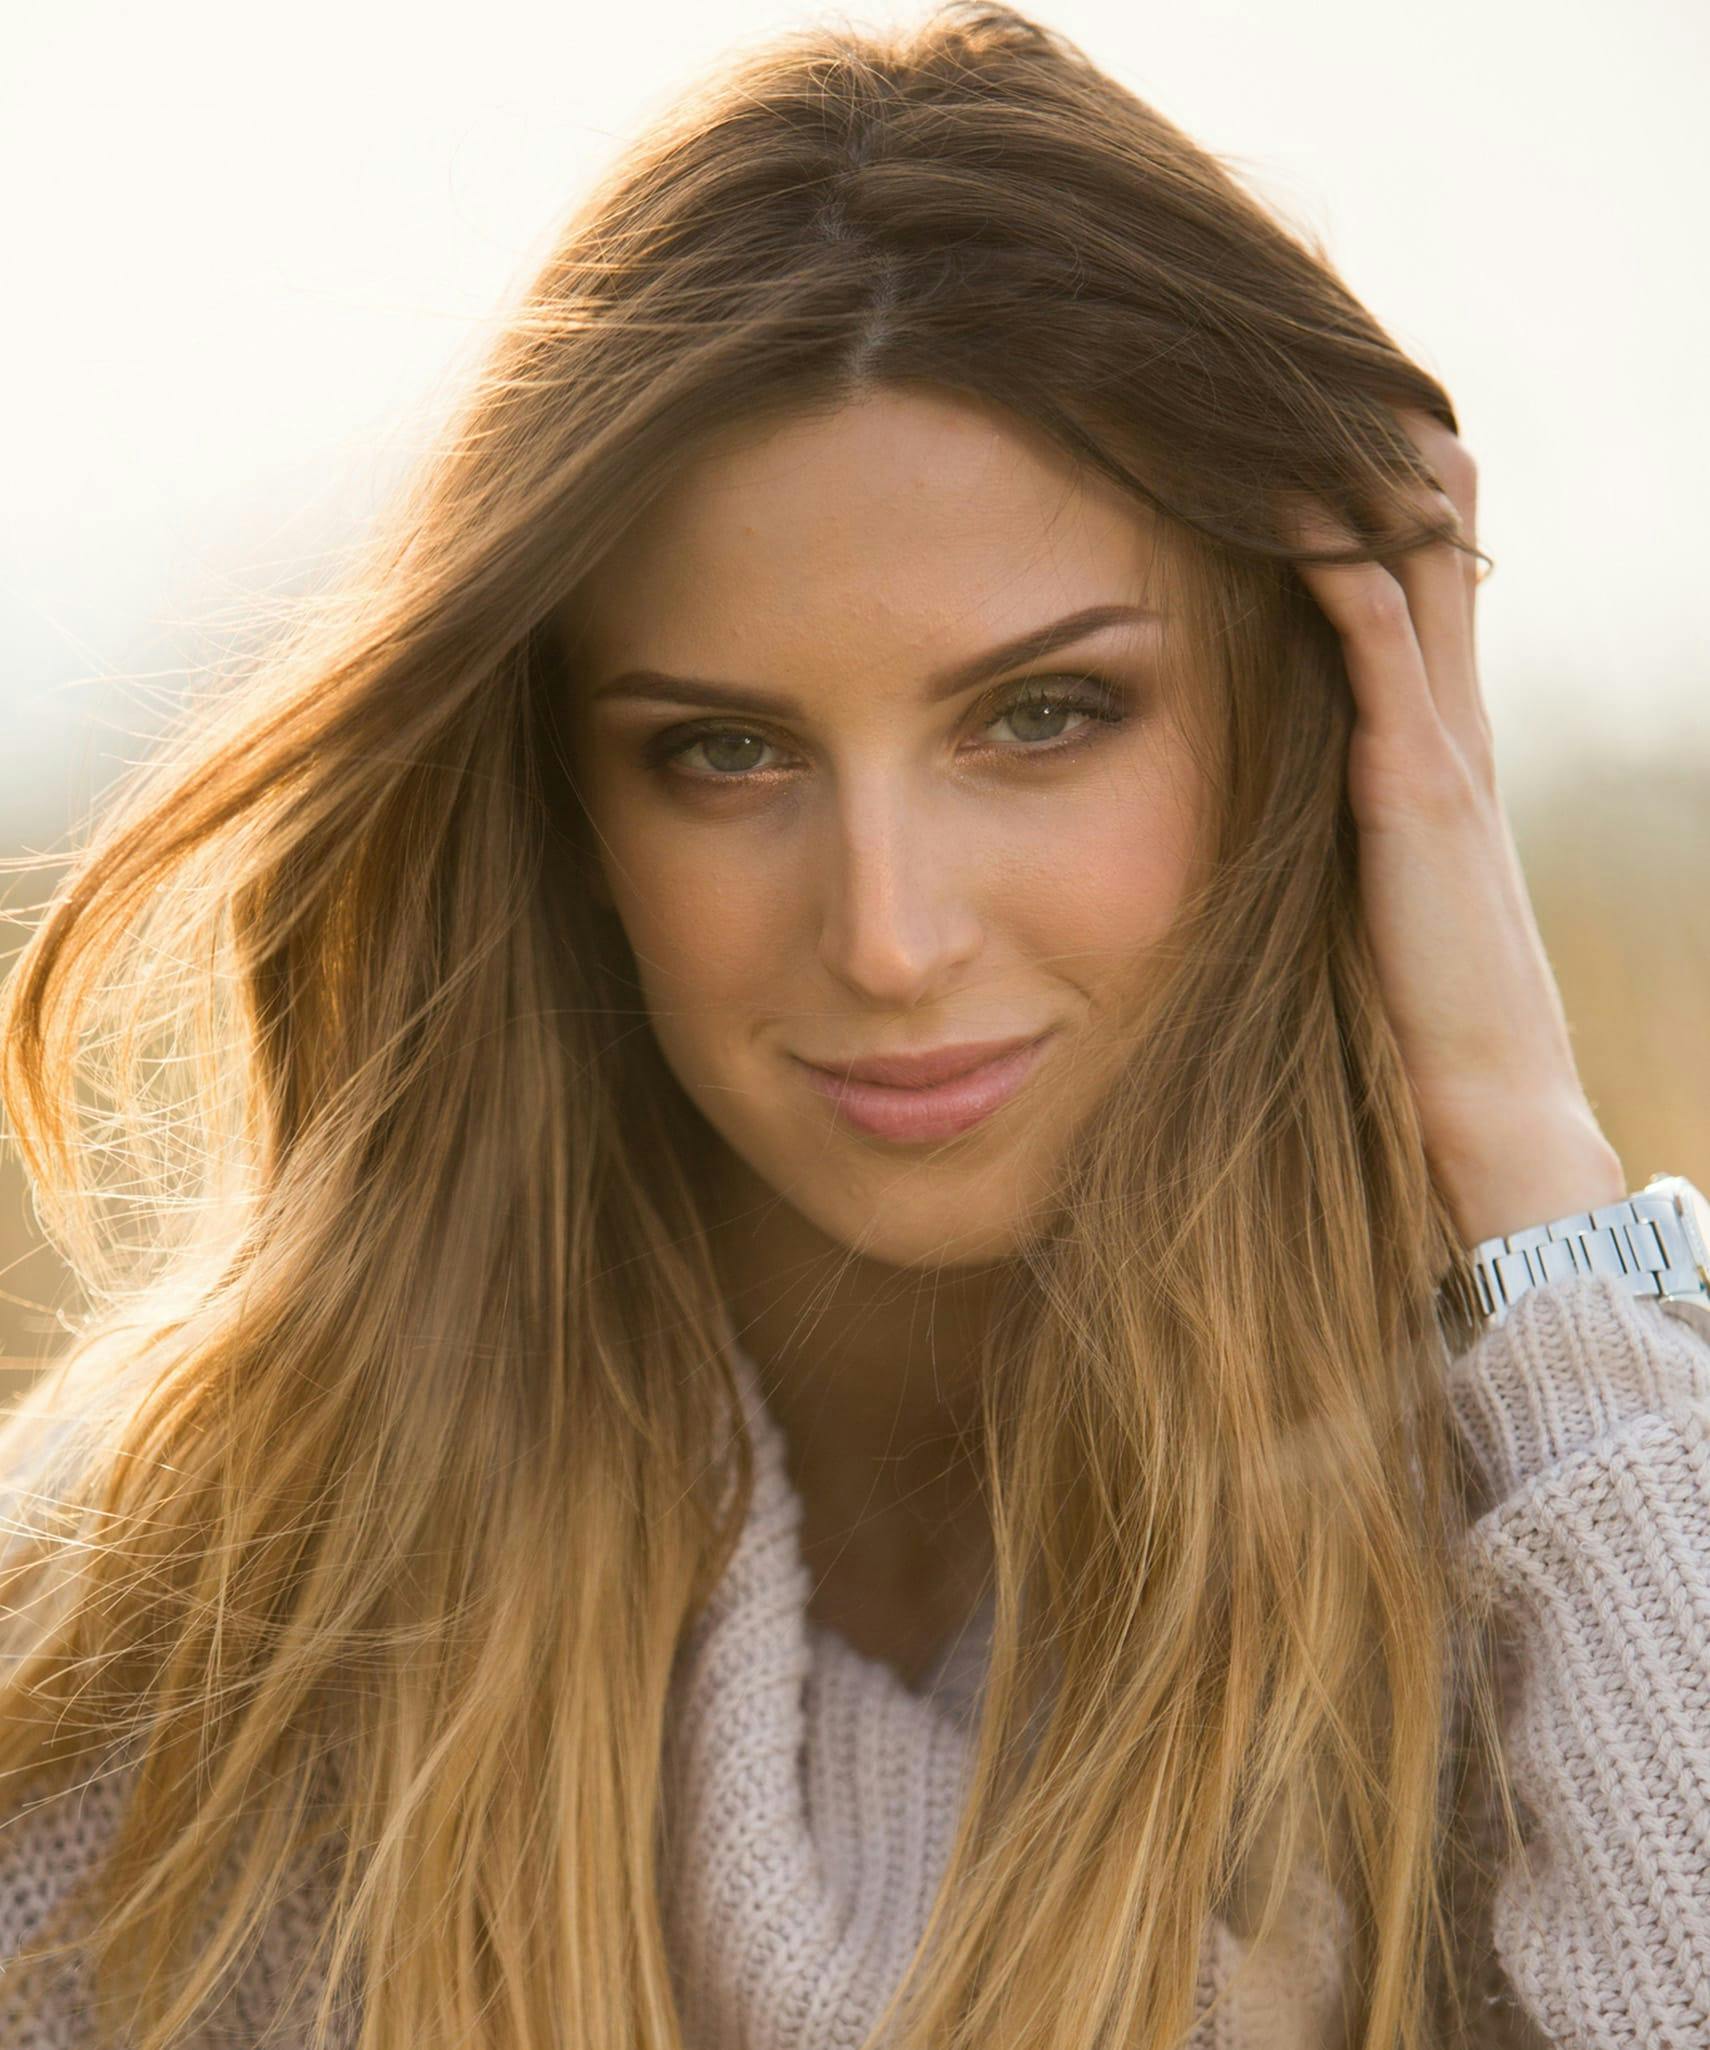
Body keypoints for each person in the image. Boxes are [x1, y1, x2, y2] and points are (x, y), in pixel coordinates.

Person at [3, 4, 1708, 2047]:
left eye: (1042, 714)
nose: (885, 933)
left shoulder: (1565, 1544)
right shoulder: (204, 1599)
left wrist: (1525, 1153)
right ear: (570, 802)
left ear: (1303, 722)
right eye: (725, 751)